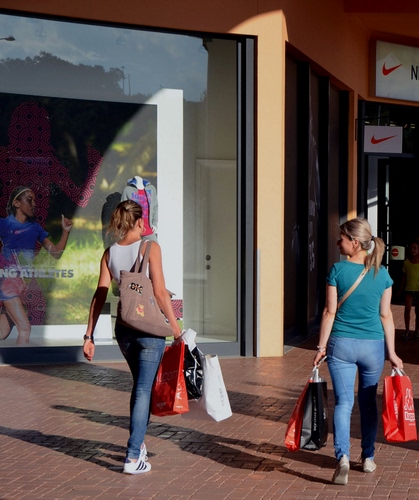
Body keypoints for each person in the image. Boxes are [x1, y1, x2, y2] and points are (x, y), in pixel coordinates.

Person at [83, 199, 181, 474]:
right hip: (149, 331)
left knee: (141, 387)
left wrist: (89, 335)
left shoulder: (109, 253)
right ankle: (133, 456)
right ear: (139, 221)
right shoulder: (151, 247)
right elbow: (160, 292)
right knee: (143, 390)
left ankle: (139, 445)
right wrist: (176, 329)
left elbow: (100, 295)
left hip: (124, 331)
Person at [313, 217, 403, 486]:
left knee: (343, 403)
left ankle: (342, 457)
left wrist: (321, 347)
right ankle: (368, 457)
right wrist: (393, 352)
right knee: (368, 402)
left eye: (341, 238)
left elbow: (329, 312)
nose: (337, 242)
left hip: (341, 344)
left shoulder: (338, 270)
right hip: (372, 346)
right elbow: (386, 315)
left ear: (354, 242)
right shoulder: (382, 274)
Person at [0, 186, 73, 344]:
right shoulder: (4, 224)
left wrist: (65, 232)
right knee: (25, 329)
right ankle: (21, 361)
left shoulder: (35, 228)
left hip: (22, 286)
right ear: (16, 203)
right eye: (29, 200)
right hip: (7, 284)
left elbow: (56, 253)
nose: (34, 204)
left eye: (34, 200)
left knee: (2, 332)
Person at [397, 239, 419, 340]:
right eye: (410, 248)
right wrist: (400, 289)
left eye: (415, 248)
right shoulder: (406, 263)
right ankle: (407, 331)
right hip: (409, 289)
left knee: (418, 311)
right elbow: (404, 277)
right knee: (407, 310)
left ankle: (417, 330)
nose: (412, 250)